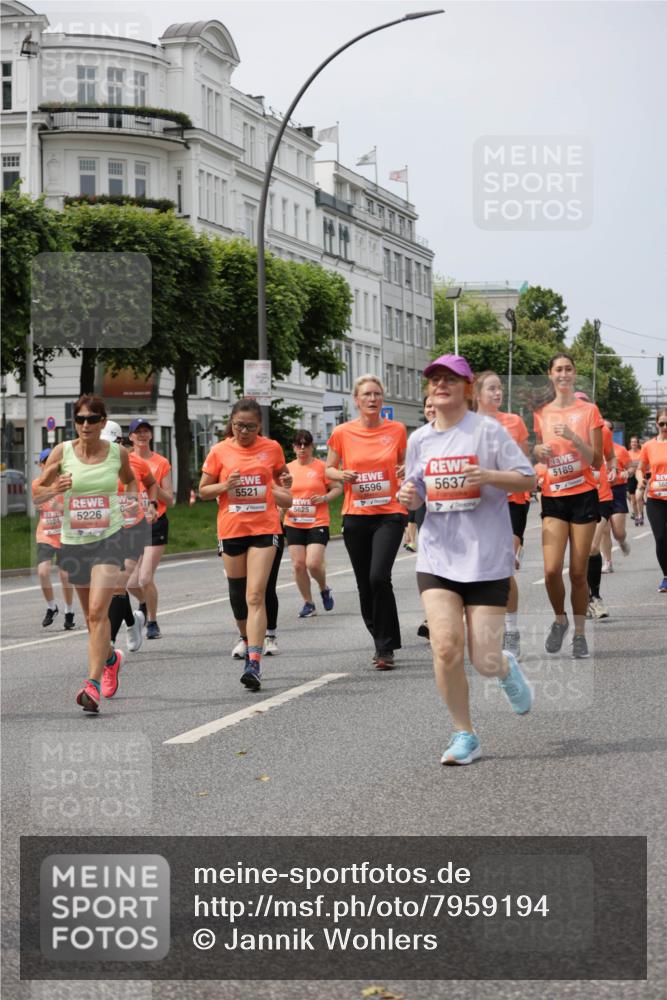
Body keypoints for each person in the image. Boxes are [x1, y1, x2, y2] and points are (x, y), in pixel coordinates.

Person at [400, 354, 536, 766]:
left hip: (485, 558)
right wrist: (411, 496)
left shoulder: (488, 433)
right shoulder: (419, 439)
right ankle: (465, 733)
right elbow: (417, 487)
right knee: (444, 647)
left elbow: (528, 478)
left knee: (485, 658)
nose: (440, 385)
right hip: (438, 557)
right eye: (434, 379)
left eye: (450, 379)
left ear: (467, 387)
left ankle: (505, 667)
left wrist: (489, 476)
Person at [37, 395, 137, 713]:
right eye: (79, 419)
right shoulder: (62, 452)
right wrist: (54, 489)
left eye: (92, 419)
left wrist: (130, 503)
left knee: (97, 613)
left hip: (110, 539)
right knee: (92, 621)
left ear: (103, 422)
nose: (85, 425)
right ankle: (110, 658)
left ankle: (90, 685)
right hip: (74, 542)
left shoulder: (117, 454)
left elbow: (131, 482)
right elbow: (37, 491)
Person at [199, 398, 290, 691]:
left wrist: (284, 485)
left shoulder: (272, 448)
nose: (244, 431)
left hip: (264, 528)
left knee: (255, 595)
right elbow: (202, 491)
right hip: (231, 529)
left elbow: (283, 485)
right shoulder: (219, 451)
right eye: (239, 425)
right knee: (238, 596)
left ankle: (254, 662)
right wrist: (226, 486)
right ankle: (246, 636)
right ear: (232, 424)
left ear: (259, 426)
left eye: (250, 426)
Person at [326, 375, 407, 670]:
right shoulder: (342, 433)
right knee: (364, 585)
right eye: (367, 395)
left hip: (390, 513)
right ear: (356, 400)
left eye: (377, 394)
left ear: (382, 399)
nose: (373, 399)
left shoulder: (397, 430)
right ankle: (380, 638)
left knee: (378, 577)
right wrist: (341, 475)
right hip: (356, 516)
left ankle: (386, 647)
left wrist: (405, 468)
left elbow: (406, 463)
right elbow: (329, 470)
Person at [533, 354, 603, 659]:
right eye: (558, 369)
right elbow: (539, 456)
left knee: (577, 572)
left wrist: (574, 437)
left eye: (568, 369)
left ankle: (579, 633)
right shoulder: (542, 413)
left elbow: (596, 459)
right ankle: (559, 618)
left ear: (574, 374)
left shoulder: (589, 410)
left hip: (583, 494)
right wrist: (539, 451)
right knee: (550, 571)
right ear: (550, 374)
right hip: (554, 495)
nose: (563, 374)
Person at [473, 371, 531, 657]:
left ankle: (511, 630)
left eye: (500, 389)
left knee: (504, 568)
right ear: (477, 393)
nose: (498, 393)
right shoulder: (466, 425)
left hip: (512, 500)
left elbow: (523, 466)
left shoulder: (514, 422)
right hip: (480, 505)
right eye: (491, 389)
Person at [101, 421, 158, 653]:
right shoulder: (92, 465)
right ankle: (133, 623)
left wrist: (152, 504)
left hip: (133, 528)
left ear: (120, 442)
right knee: (113, 587)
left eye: (109, 443)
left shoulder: (135, 463)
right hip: (105, 530)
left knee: (118, 584)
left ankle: (110, 645)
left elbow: (151, 484)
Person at [283, 429, 342, 618]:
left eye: (306, 445)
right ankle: (308, 603)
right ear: (293, 447)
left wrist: (324, 497)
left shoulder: (321, 467)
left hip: (317, 521)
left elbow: (337, 488)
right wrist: (281, 508)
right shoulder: (286, 468)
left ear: (311, 447)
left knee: (313, 563)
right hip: (293, 521)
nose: (302, 448)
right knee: (299, 565)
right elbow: (279, 493)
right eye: (298, 445)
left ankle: (324, 588)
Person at [126, 419, 173, 640]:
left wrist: (150, 484)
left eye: (146, 432)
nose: (142, 436)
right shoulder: (125, 461)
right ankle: (144, 603)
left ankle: (153, 622)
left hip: (155, 522)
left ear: (151, 436)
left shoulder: (161, 462)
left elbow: (170, 499)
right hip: (133, 524)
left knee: (145, 578)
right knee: (129, 583)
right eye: (138, 432)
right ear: (130, 437)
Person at [32, 448, 76, 630]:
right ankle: (52, 607)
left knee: (65, 575)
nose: (49, 466)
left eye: (53, 462)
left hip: (64, 535)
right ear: (42, 465)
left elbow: (75, 508)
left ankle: (69, 611)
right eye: (45, 462)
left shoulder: (66, 483)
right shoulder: (37, 484)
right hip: (45, 535)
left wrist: (62, 506)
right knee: (43, 572)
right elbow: (36, 501)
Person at [637, 409, 667, 592]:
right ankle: (666, 575)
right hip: (655, 499)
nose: (665, 427)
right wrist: (641, 480)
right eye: (662, 423)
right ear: (656, 424)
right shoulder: (648, 446)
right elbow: (641, 468)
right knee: (661, 538)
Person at [416, 395, 436, 640]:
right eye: (428, 406)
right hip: (427, 508)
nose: (432, 409)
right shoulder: (418, 439)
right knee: (430, 562)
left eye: (435, 404)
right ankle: (432, 616)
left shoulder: (459, 435)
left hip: (458, 511)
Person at [600, 420, 632, 571]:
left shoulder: (620, 450)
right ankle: (608, 562)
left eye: (608, 428)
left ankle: (622, 540)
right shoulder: (593, 450)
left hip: (617, 490)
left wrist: (627, 472)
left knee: (618, 532)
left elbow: (630, 468)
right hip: (599, 491)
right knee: (603, 529)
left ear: (611, 432)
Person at [627, 436, 644, 525]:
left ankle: (640, 515)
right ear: (630, 444)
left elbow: (645, 464)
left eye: (635, 442)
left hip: (640, 477)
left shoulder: (641, 453)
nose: (633, 443)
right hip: (631, 478)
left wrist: (636, 467)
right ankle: (637, 515)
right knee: (633, 500)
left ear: (637, 443)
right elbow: (624, 465)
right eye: (632, 442)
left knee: (639, 498)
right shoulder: (627, 453)